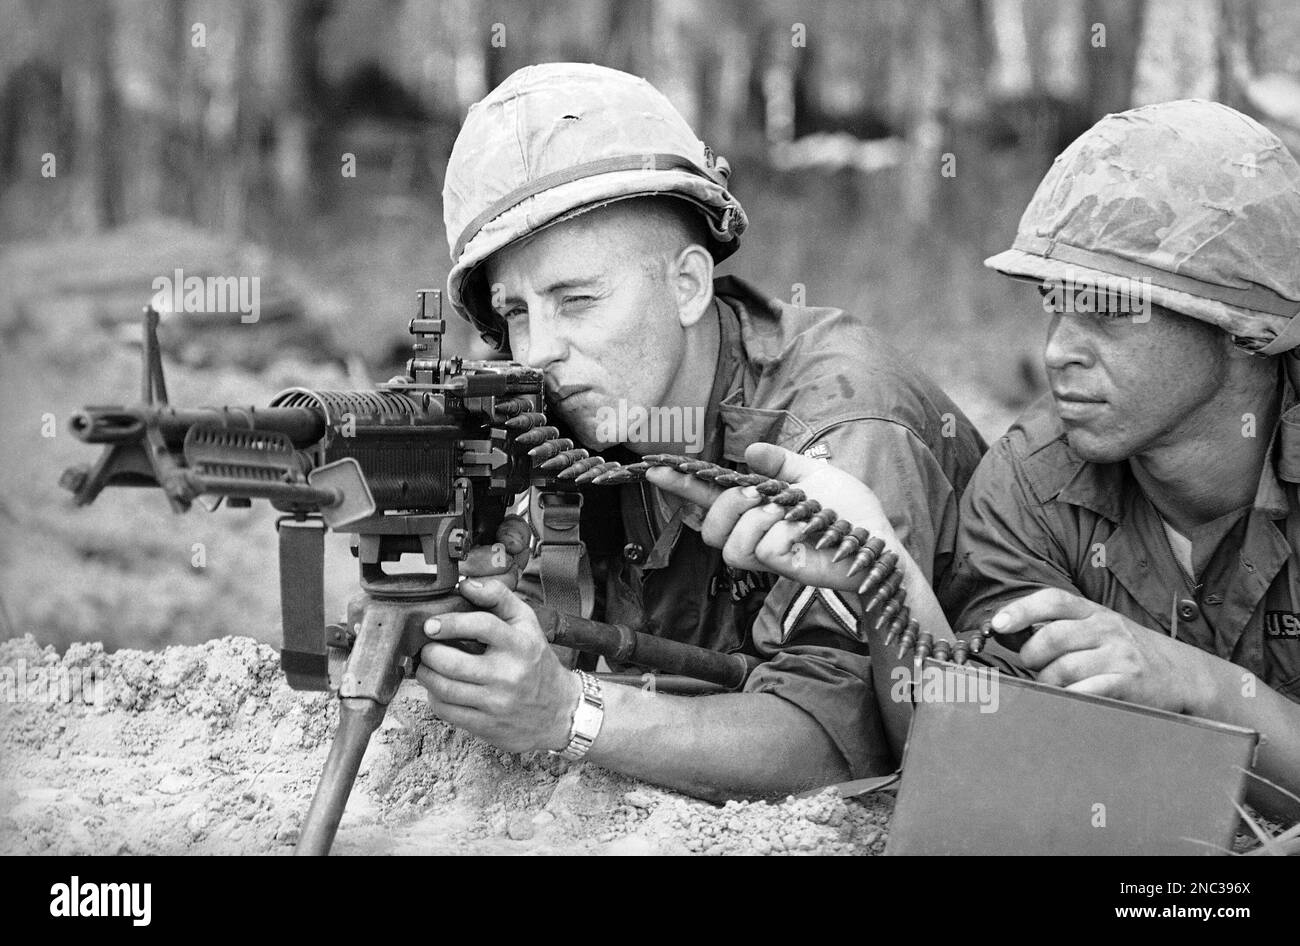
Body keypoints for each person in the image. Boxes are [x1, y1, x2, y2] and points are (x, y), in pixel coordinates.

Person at [416, 62, 984, 799]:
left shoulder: (836, 425)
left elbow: (839, 747)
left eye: (578, 299)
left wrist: (569, 715)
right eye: (516, 311)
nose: (539, 351)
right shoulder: (574, 403)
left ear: (687, 284)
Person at [936, 100, 1300, 819]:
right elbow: (1012, 776)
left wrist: (1197, 685)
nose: (1056, 351)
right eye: (1054, 302)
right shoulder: (1029, 489)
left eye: (1105, 310)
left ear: (1246, 326)